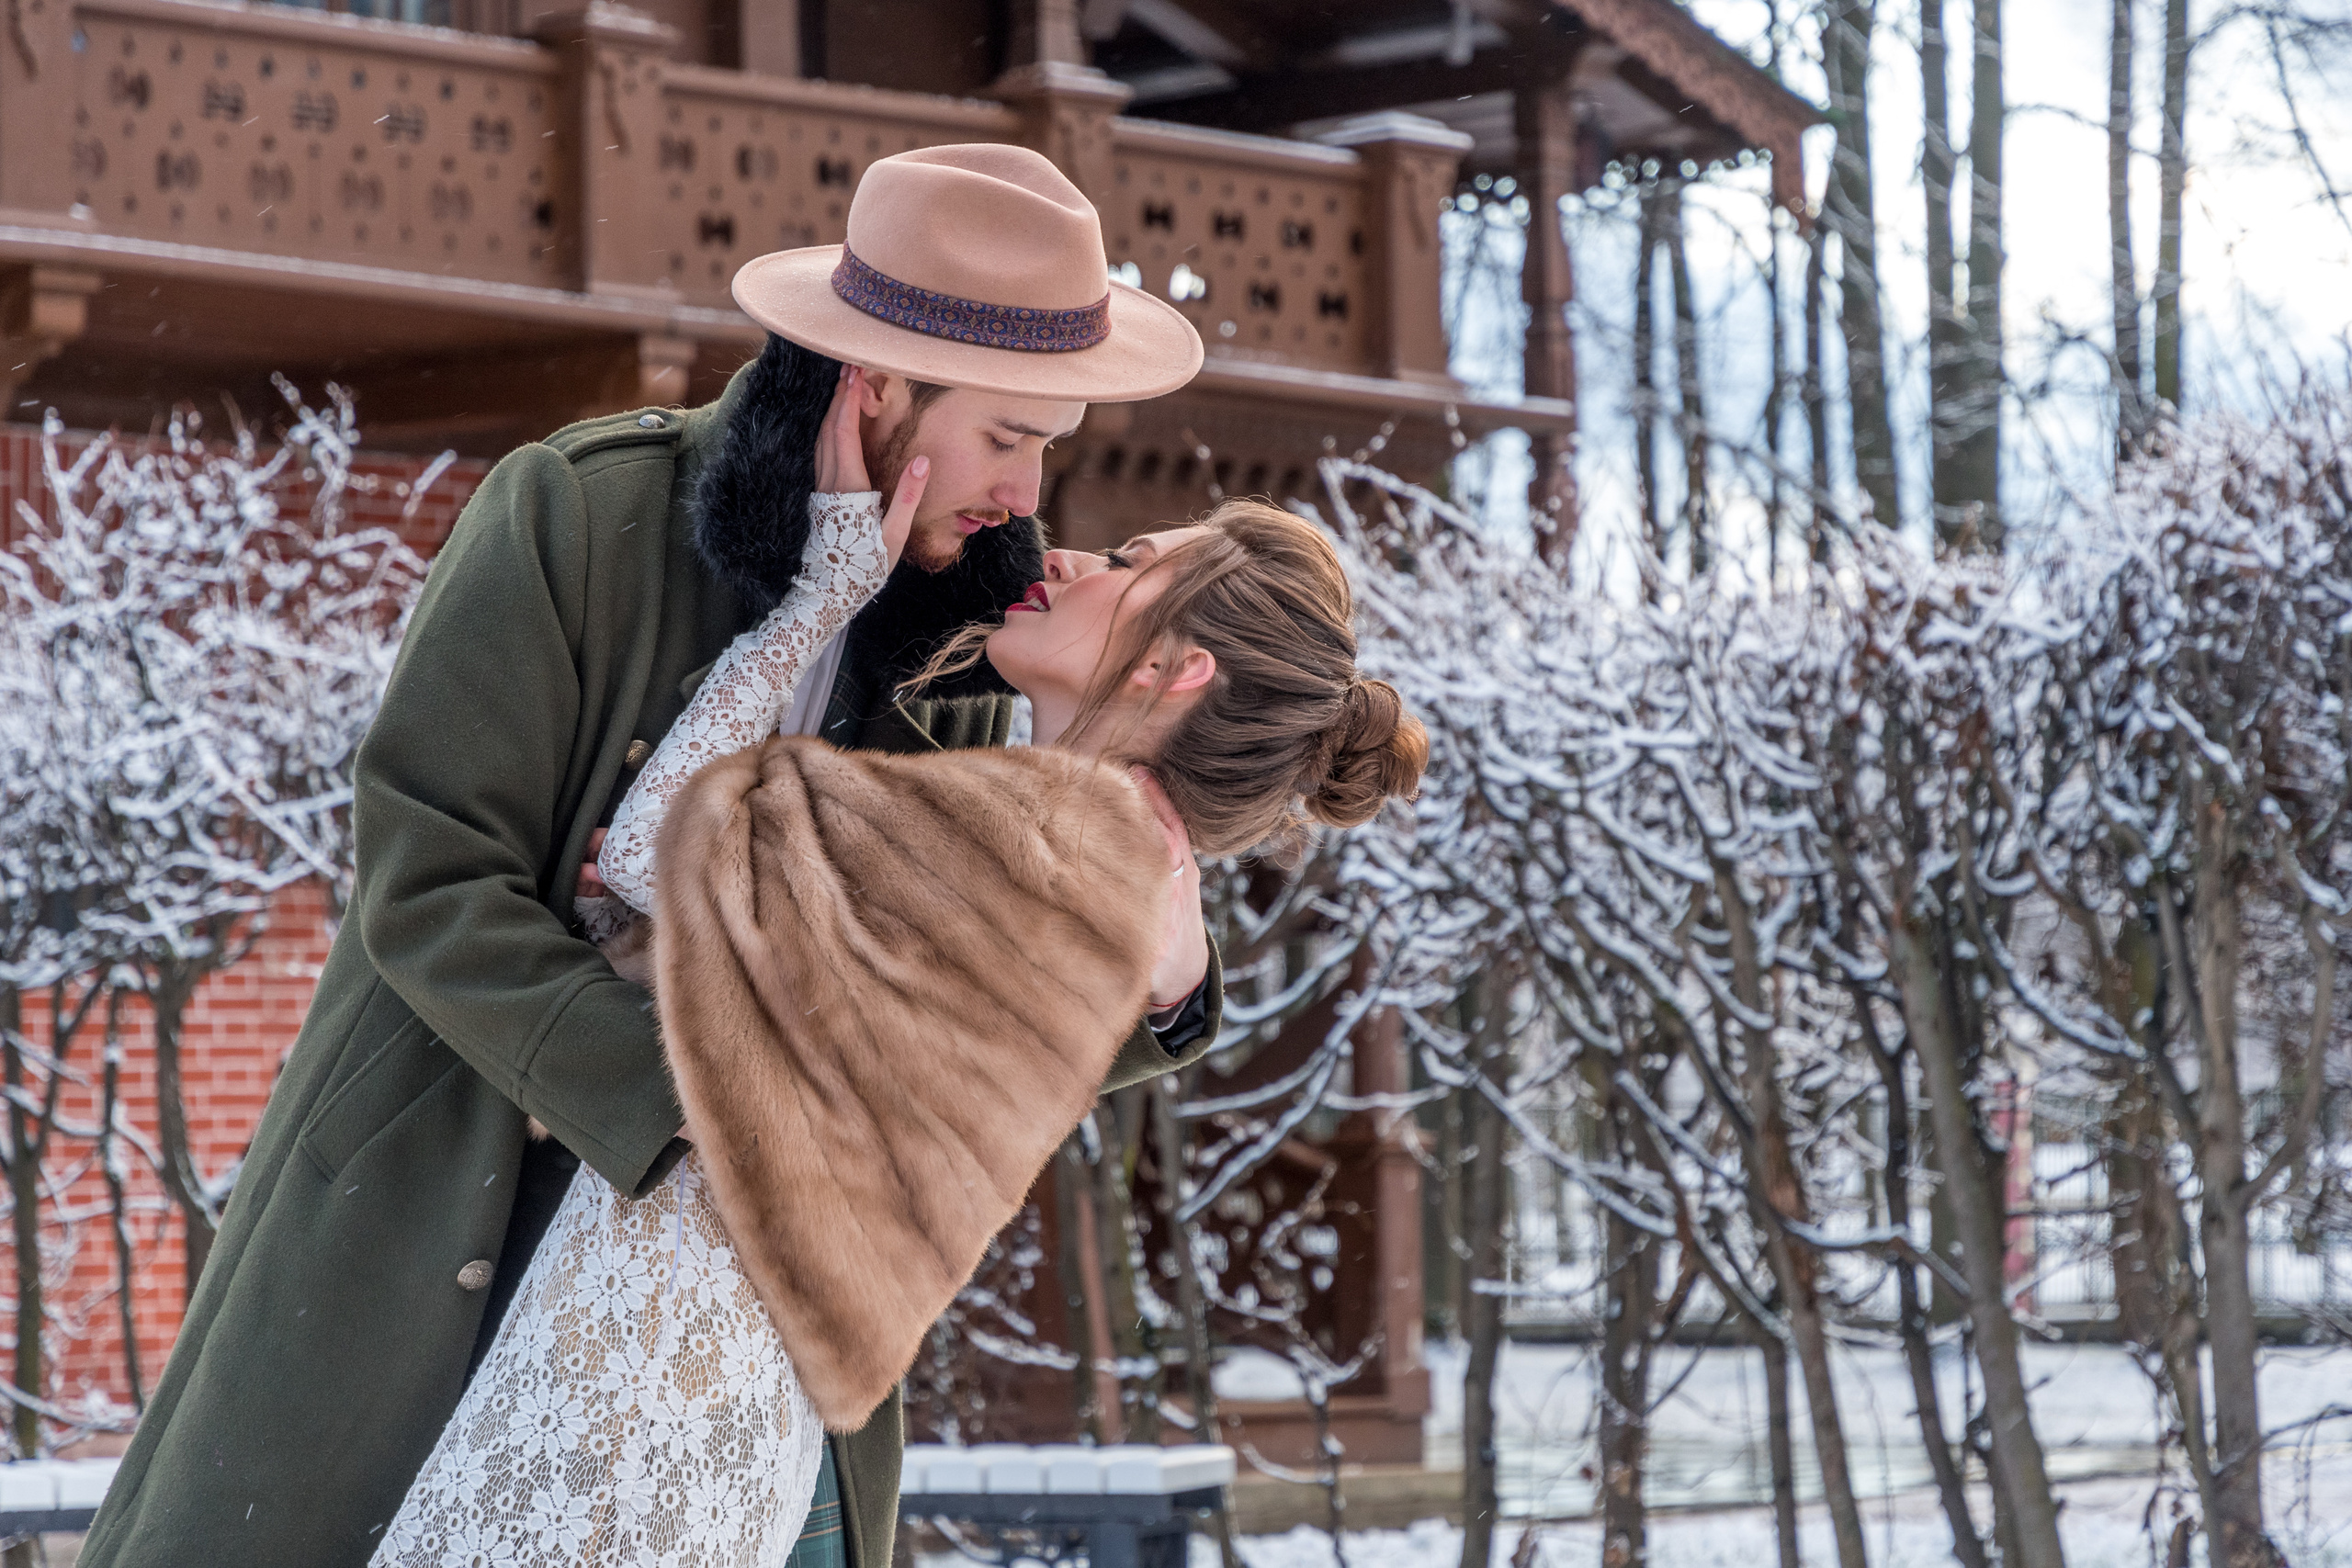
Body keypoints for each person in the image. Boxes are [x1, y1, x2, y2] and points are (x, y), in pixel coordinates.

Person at [78, 143, 1216, 1568]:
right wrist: (692, 1107)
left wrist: (1163, 986)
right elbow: (428, 884)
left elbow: (960, 1035)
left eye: (1056, 439)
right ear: (876, 386)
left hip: (747, 1350)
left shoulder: (976, 636)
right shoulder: (578, 512)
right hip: (435, 1222)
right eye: (1005, 436)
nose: (1032, 487)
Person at [368, 385, 1429, 1563]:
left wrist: (819, 601)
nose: (1070, 551)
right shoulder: (1109, 854)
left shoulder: (1056, 837)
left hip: (660, 1352)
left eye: (1131, 562)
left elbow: (652, 852)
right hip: (700, 1348)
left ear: (1178, 668)